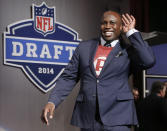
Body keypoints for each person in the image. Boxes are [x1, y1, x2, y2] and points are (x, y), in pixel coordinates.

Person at [42, 10, 155, 131]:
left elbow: (148, 61)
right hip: (88, 117)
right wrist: (53, 101)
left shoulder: (128, 49)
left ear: (121, 27)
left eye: (112, 23)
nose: (107, 26)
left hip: (118, 116)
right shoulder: (84, 47)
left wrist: (131, 33)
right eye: (104, 23)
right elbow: (68, 77)